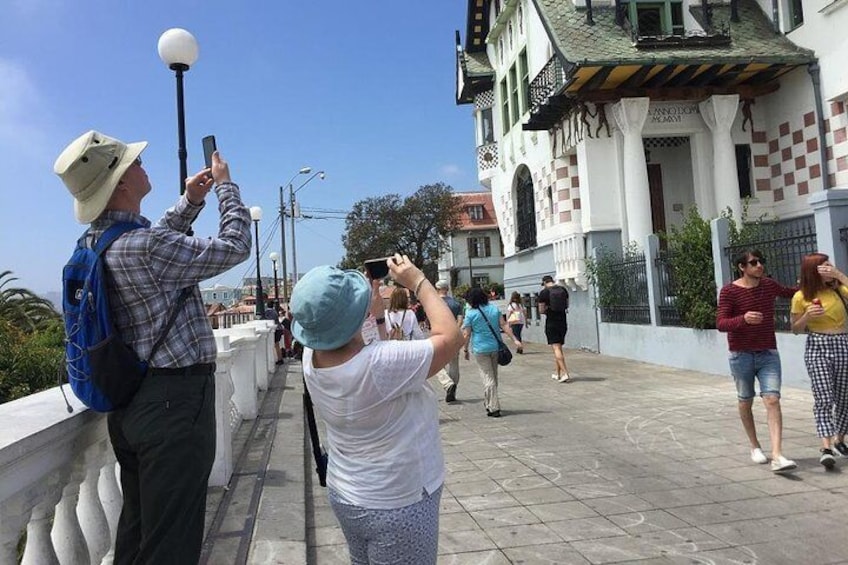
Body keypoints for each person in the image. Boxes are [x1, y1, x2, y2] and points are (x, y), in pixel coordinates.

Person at [53, 130, 251, 563]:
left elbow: (153, 244)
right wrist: (226, 189)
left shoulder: (96, 242)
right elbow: (236, 246)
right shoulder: (145, 247)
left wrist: (189, 203)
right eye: (134, 164)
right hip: (174, 407)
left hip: (130, 404)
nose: (143, 166)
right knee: (171, 543)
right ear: (121, 182)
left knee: (139, 529)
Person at [292, 256, 464, 564]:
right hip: (399, 501)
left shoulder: (310, 358)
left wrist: (375, 318)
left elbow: (368, 355)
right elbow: (451, 339)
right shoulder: (380, 364)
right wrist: (419, 282)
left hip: (347, 492)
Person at [717, 249, 797, 473]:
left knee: (772, 399)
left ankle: (778, 455)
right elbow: (721, 323)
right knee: (745, 400)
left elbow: (791, 292)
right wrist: (743, 319)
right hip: (741, 354)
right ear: (742, 267)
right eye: (753, 263)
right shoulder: (729, 291)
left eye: (761, 261)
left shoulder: (769, 285)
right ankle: (754, 445)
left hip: (768, 353)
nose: (759, 266)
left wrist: (814, 282)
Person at [790, 253, 848, 469]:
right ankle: (825, 447)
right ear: (813, 271)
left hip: (842, 342)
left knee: (844, 396)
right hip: (818, 345)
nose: (828, 268)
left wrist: (839, 275)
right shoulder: (801, 296)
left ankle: (840, 440)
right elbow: (795, 329)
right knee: (824, 397)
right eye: (823, 266)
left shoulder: (839, 290)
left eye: (829, 265)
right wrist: (807, 317)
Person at [462, 286, 522, 418]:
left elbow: (467, 334)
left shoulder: (470, 314)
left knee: (488, 378)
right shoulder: (494, 309)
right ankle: (489, 403)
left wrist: (465, 349)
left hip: (480, 349)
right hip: (495, 347)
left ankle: (494, 407)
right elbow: (504, 325)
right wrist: (515, 339)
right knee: (493, 377)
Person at [434, 280, 464, 402]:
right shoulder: (456, 303)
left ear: (437, 289)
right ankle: (452, 389)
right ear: (447, 289)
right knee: (454, 363)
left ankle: (447, 383)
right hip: (453, 336)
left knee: (435, 363)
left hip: (439, 336)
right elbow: (460, 320)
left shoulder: (435, 303)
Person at [538, 275, 570, 382]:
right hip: (563, 322)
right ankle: (558, 373)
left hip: (551, 322)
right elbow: (567, 305)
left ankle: (565, 373)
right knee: (559, 348)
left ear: (544, 283)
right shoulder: (563, 290)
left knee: (556, 348)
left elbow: (541, 310)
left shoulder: (544, 293)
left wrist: (548, 309)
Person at [264, 300, 284, 365]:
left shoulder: (267, 312)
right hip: (279, 328)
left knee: (275, 345)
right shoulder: (274, 311)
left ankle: (279, 359)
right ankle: (280, 358)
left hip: (276, 329)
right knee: (277, 345)